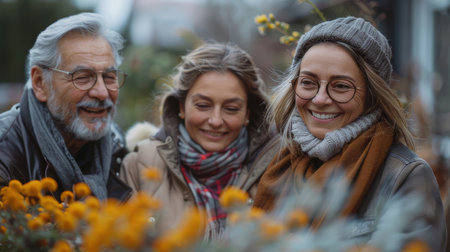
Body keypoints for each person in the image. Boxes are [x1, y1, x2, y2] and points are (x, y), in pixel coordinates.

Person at [253, 16, 446, 250]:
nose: (320, 98)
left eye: (341, 86)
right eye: (308, 82)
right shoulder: (277, 163)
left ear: (372, 96)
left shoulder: (406, 176)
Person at [120, 42, 280, 239]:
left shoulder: (276, 168)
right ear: (181, 106)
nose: (215, 121)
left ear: (248, 113)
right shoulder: (139, 166)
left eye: (231, 109)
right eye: (203, 105)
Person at [0, 12, 131, 201]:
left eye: (110, 77)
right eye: (83, 77)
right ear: (39, 83)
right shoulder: (6, 153)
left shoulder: (117, 145)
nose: (102, 92)